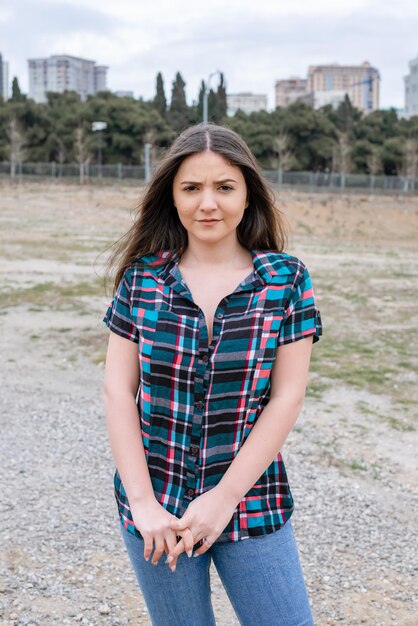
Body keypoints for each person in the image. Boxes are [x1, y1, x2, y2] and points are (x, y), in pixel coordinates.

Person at [103, 122, 322, 626]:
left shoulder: (286, 280)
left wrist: (223, 499)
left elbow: (286, 397)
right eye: (191, 188)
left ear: (248, 196)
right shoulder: (143, 280)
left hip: (251, 502)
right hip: (157, 511)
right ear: (172, 198)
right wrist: (142, 504)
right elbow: (118, 390)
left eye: (224, 187)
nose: (208, 203)